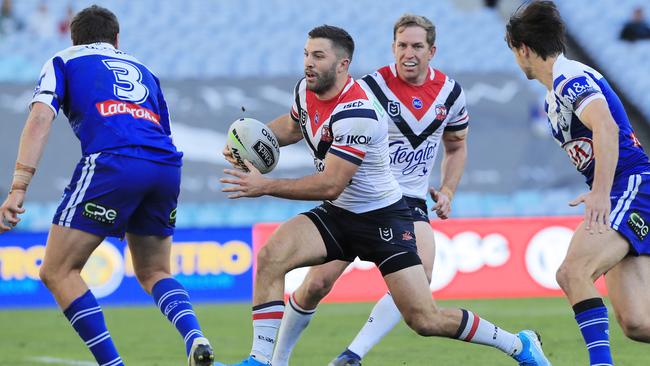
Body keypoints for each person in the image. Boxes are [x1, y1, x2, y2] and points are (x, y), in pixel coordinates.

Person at [220, 24, 550, 366]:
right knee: (273, 256)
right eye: (306, 54)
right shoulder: (305, 90)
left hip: (383, 219)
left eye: (318, 56)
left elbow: (330, 183)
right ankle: (261, 360)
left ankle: (518, 344)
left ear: (343, 64)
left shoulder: (358, 112)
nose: (308, 63)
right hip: (339, 214)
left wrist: (265, 186)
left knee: (425, 319)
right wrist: (247, 145)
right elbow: (291, 127)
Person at [0, 5, 214, 366]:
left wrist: (19, 187)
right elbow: (163, 130)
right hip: (164, 165)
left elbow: (39, 118)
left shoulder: (62, 60)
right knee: (156, 271)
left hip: (114, 160)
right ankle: (195, 336)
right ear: (116, 40)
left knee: (57, 270)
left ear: (74, 36)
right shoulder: (144, 70)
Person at [270, 14, 469, 366]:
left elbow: (456, 145)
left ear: (432, 51)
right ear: (393, 47)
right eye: (402, 45)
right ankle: (278, 359)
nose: (409, 53)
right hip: (362, 197)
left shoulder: (451, 93)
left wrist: (449, 188)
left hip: (407, 201)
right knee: (317, 284)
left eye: (417, 46)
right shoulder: (369, 89)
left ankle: (352, 355)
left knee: (422, 276)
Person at [506, 1, 650, 365]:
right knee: (637, 322)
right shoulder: (557, 89)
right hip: (626, 189)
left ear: (522, 48)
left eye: (513, 51)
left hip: (630, 185)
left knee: (572, 273)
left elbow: (606, 126)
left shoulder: (571, 79)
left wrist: (601, 193)